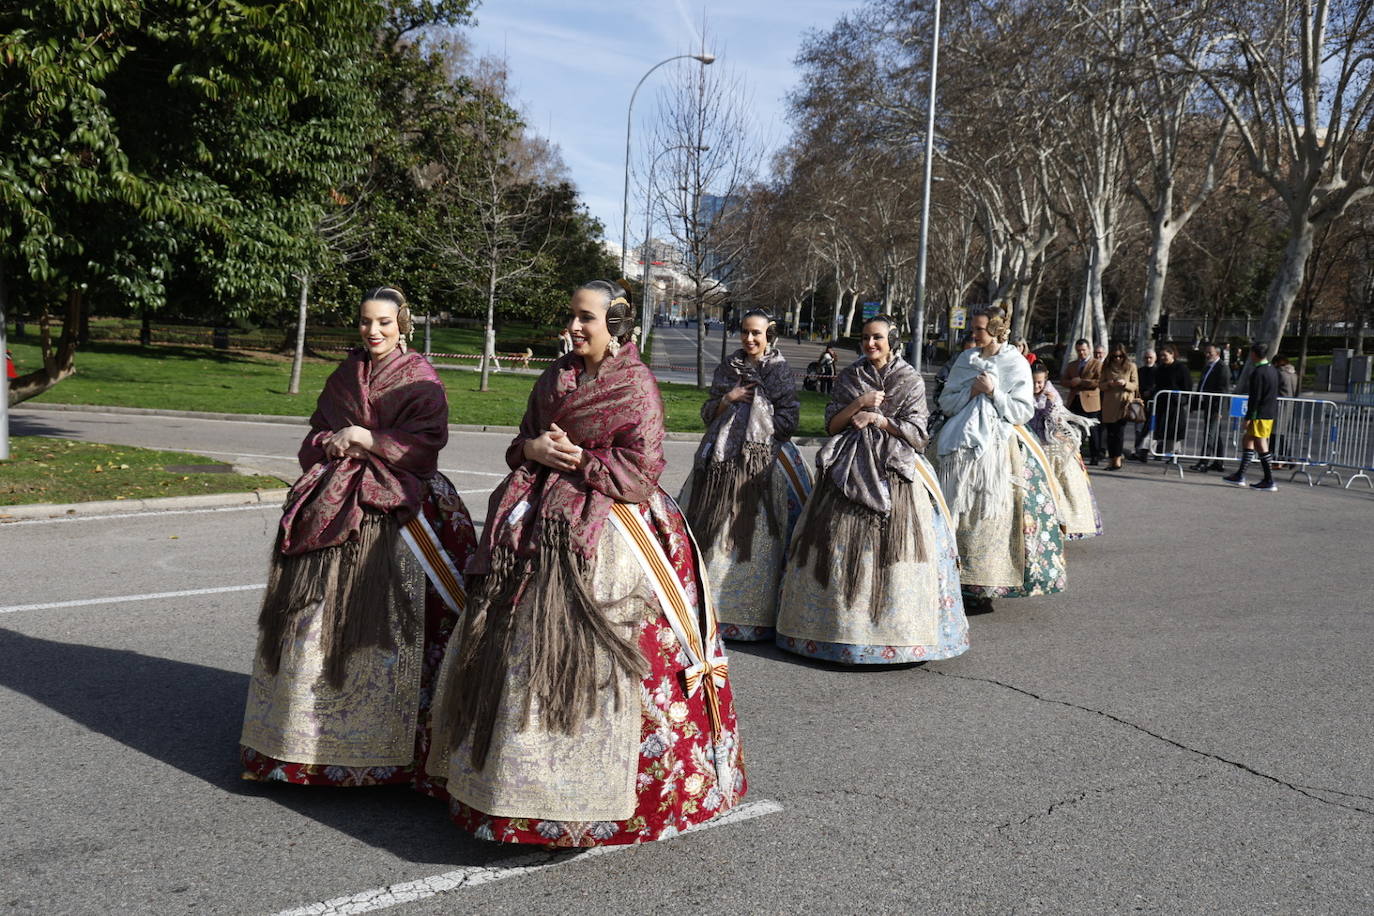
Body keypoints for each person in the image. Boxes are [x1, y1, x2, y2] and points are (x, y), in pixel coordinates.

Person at [424, 280, 745, 846]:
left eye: (585, 319)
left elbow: (642, 473)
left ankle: (599, 793)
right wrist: (533, 451)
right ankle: (505, 790)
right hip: (537, 520)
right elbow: (520, 441)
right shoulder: (554, 377)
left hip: (608, 528)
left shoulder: (638, 384)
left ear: (615, 325)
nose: (573, 328)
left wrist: (582, 461)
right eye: (571, 316)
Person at [240, 286, 478, 788]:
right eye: (367, 322)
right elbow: (315, 434)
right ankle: (311, 744)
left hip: (401, 501)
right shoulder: (344, 374)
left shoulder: (422, 379)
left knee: (404, 618)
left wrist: (371, 439)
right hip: (336, 500)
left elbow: (428, 443)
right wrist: (331, 440)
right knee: (314, 620)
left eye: (385, 323)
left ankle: (404, 748)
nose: (374, 331)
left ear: (403, 324)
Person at [776, 315, 967, 663]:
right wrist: (860, 404)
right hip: (847, 468)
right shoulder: (851, 376)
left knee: (898, 552)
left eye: (877, 338)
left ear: (892, 340)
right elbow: (833, 425)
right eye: (865, 338)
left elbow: (919, 436)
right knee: (832, 545)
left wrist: (880, 420)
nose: (870, 344)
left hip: (893, 470)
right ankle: (833, 633)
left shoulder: (909, 379)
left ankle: (896, 636)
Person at [680, 309, 813, 641]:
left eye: (756, 333)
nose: (750, 339)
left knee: (759, 530)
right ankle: (707, 610)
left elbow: (789, 420)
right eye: (745, 332)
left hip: (763, 460)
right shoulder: (728, 367)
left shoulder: (779, 371)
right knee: (711, 527)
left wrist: (758, 417)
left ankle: (754, 612)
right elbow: (707, 413)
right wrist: (731, 399)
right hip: (719, 459)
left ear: (769, 335)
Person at [937, 305, 1067, 614]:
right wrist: (972, 391)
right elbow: (946, 401)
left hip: (999, 449)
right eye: (972, 329)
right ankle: (951, 578)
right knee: (953, 509)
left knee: (989, 515)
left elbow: (1022, 411)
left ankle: (983, 586)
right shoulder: (966, 359)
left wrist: (994, 391)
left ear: (995, 330)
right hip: (958, 443)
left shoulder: (1014, 362)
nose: (973, 334)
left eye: (979, 329)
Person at [1029, 364, 1102, 539]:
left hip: (1054, 447)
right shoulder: (1024, 393)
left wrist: (1051, 404)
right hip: (1033, 443)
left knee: (1063, 485)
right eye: (1033, 382)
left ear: (1045, 379)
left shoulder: (1052, 395)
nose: (1036, 386)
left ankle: (1064, 526)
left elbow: (1055, 421)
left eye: (1039, 382)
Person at [1224, 343, 1281, 491]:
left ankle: (1269, 479)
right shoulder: (1272, 370)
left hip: (1260, 413)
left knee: (1261, 444)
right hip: (1268, 412)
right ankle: (1240, 475)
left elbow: (1255, 398)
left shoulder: (1258, 372)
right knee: (1248, 439)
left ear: (1254, 354)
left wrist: (1249, 417)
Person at [1097, 341, 1139, 471]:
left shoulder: (1131, 366)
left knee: (1119, 433)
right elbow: (1100, 384)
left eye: (1120, 356)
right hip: (1109, 403)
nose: (1118, 359)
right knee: (1110, 433)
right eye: (1115, 356)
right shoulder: (1106, 366)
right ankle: (1111, 460)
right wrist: (1109, 383)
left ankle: (1117, 460)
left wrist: (1125, 383)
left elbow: (1135, 385)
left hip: (1123, 404)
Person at [1061, 338, 1103, 465]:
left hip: (1090, 402)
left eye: (1084, 350)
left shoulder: (1097, 364)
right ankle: (1073, 454)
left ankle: (1095, 456)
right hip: (1075, 400)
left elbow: (1099, 382)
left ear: (1089, 349)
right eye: (1079, 351)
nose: (1081, 353)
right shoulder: (1072, 365)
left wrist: (1082, 382)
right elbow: (1063, 380)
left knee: (1093, 431)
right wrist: (1071, 383)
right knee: (1072, 428)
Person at [1190, 341, 1230, 472]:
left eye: (1210, 353)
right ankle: (1219, 462)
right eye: (1206, 352)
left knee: (1209, 434)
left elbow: (1223, 390)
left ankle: (1203, 461)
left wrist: (1219, 410)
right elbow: (1202, 385)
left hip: (1215, 406)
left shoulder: (1222, 367)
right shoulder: (1208, 366)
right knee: (1215, 434)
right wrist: (1196, 403)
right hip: (1207, 404)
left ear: (1217, 353)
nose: (1207, 355)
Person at [1151, 343, 1193, 460]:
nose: (1163, 358)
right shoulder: (1160, 369)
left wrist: (1183, 399)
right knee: (1161, 428)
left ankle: (1174, 453)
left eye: (1165, 355)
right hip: (1162, 404)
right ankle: (1161, 451)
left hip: (1175, 405)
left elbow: (1187, 386)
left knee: (1174, 430)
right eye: (1161, 356)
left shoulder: (1181, 368)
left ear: (1172, 354)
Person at [1131, 348, 1157, 461]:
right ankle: (1137, 450)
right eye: (1146, 357)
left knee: (1150, 429)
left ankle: (1146, 451)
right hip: (1140, 403)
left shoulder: (1158, 371)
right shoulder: (1139, 371)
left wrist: (1151, 392)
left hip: (1153, 404)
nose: (1148, 360)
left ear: (1155, 359)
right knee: (1138, 429)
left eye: (1150, 357)